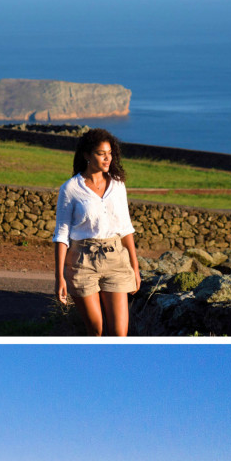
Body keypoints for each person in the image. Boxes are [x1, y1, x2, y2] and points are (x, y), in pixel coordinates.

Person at [53, 129, 141, 336]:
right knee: (96, 330)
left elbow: (126, 227)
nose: (107, 158)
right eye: (102, 153)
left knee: (120, 333)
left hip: (116, 260)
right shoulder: (70, 189)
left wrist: (135, 268)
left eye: (110, 153)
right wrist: (59, 277)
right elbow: (61, 235)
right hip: (82, 262)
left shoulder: (118, 185)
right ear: (87, 155)